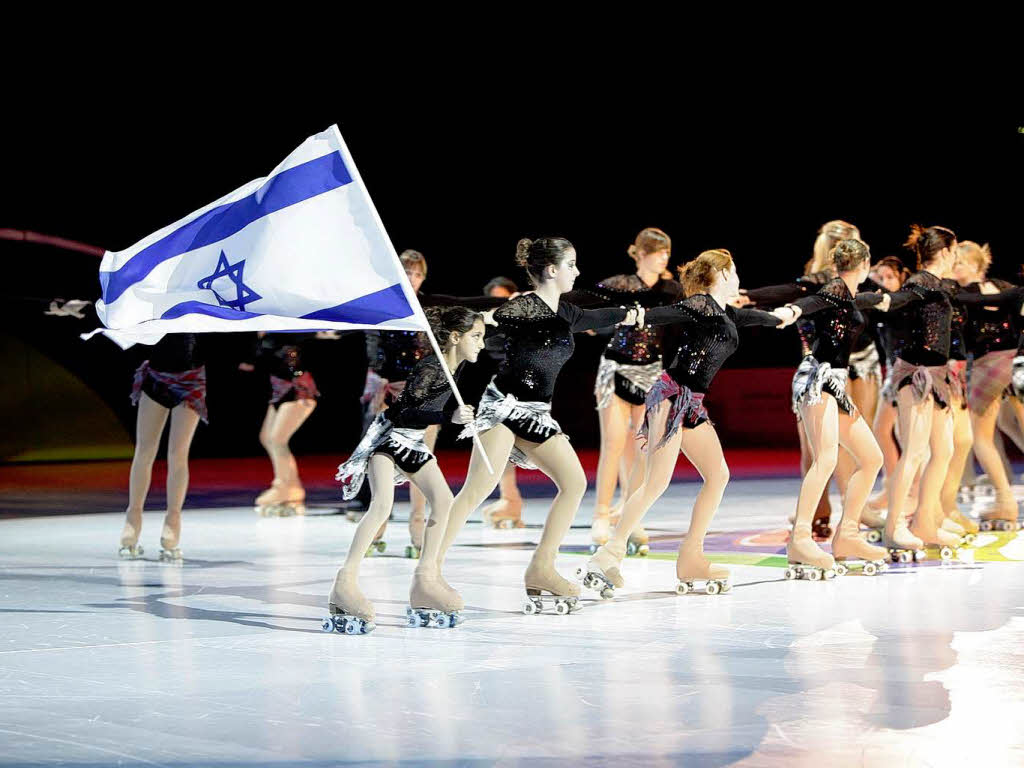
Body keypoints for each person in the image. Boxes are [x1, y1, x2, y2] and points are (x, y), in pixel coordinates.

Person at [435, 237, 641, 616]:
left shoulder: (566, 313)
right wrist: (472, 321)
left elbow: (605, 315)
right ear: (551, 270)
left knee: (575, 483)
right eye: (572, 264)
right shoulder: (522, 307)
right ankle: (429, 570)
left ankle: (542, 567)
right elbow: (487, 319)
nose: (577, 272)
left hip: (536, 412)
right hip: (503, 407)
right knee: (477, 488)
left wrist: (640, 314)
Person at [583, 249, 795, 596]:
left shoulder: (726, 313)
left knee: (718, 475)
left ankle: (691, 557)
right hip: (670, 396)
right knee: (655, 484)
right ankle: (609, 554)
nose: (739, 277)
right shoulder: (700, 305)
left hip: (691, 403)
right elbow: (662, 314)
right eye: (735, 271)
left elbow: (755, 318)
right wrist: (632, 315)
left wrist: (784, 315)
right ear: (722, 275)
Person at [328, 307, 487, 633]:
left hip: (413, 445)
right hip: (388, 442)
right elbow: (404, 414)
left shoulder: (453, 368)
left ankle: (425, 582)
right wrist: (449, 419)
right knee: (382, 507)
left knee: (443, 501)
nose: (482, 345)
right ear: (455, 337)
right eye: (477, 337)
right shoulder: (432, 367)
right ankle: (344, 583)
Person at [586, 227, 684, 553]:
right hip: (616, 369)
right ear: (641, 254)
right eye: (658, 252)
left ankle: (631, 514)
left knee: (641, 447)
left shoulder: (671, 289)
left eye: (667, 253)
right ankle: (601, 515)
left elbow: (698, 304)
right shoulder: (620, 285)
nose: (664, 258)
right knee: (614, 444)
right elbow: (585, 305)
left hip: (651, 373)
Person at [118, 333, 206, 561]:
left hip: (191, 379)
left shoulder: (198, 299)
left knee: (177, 454)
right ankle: (133, 517)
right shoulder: (154, 299)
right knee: (145, 451)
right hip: (156, 378)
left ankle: (173, 520)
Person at [252, 333, 319, 515]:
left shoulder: (283, 329)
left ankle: (282, 486)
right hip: (279, 389)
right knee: (267, 438)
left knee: (277, 439)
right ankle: (293, 486)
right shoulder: (260, 329)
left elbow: (308, 333)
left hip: (296, 388)